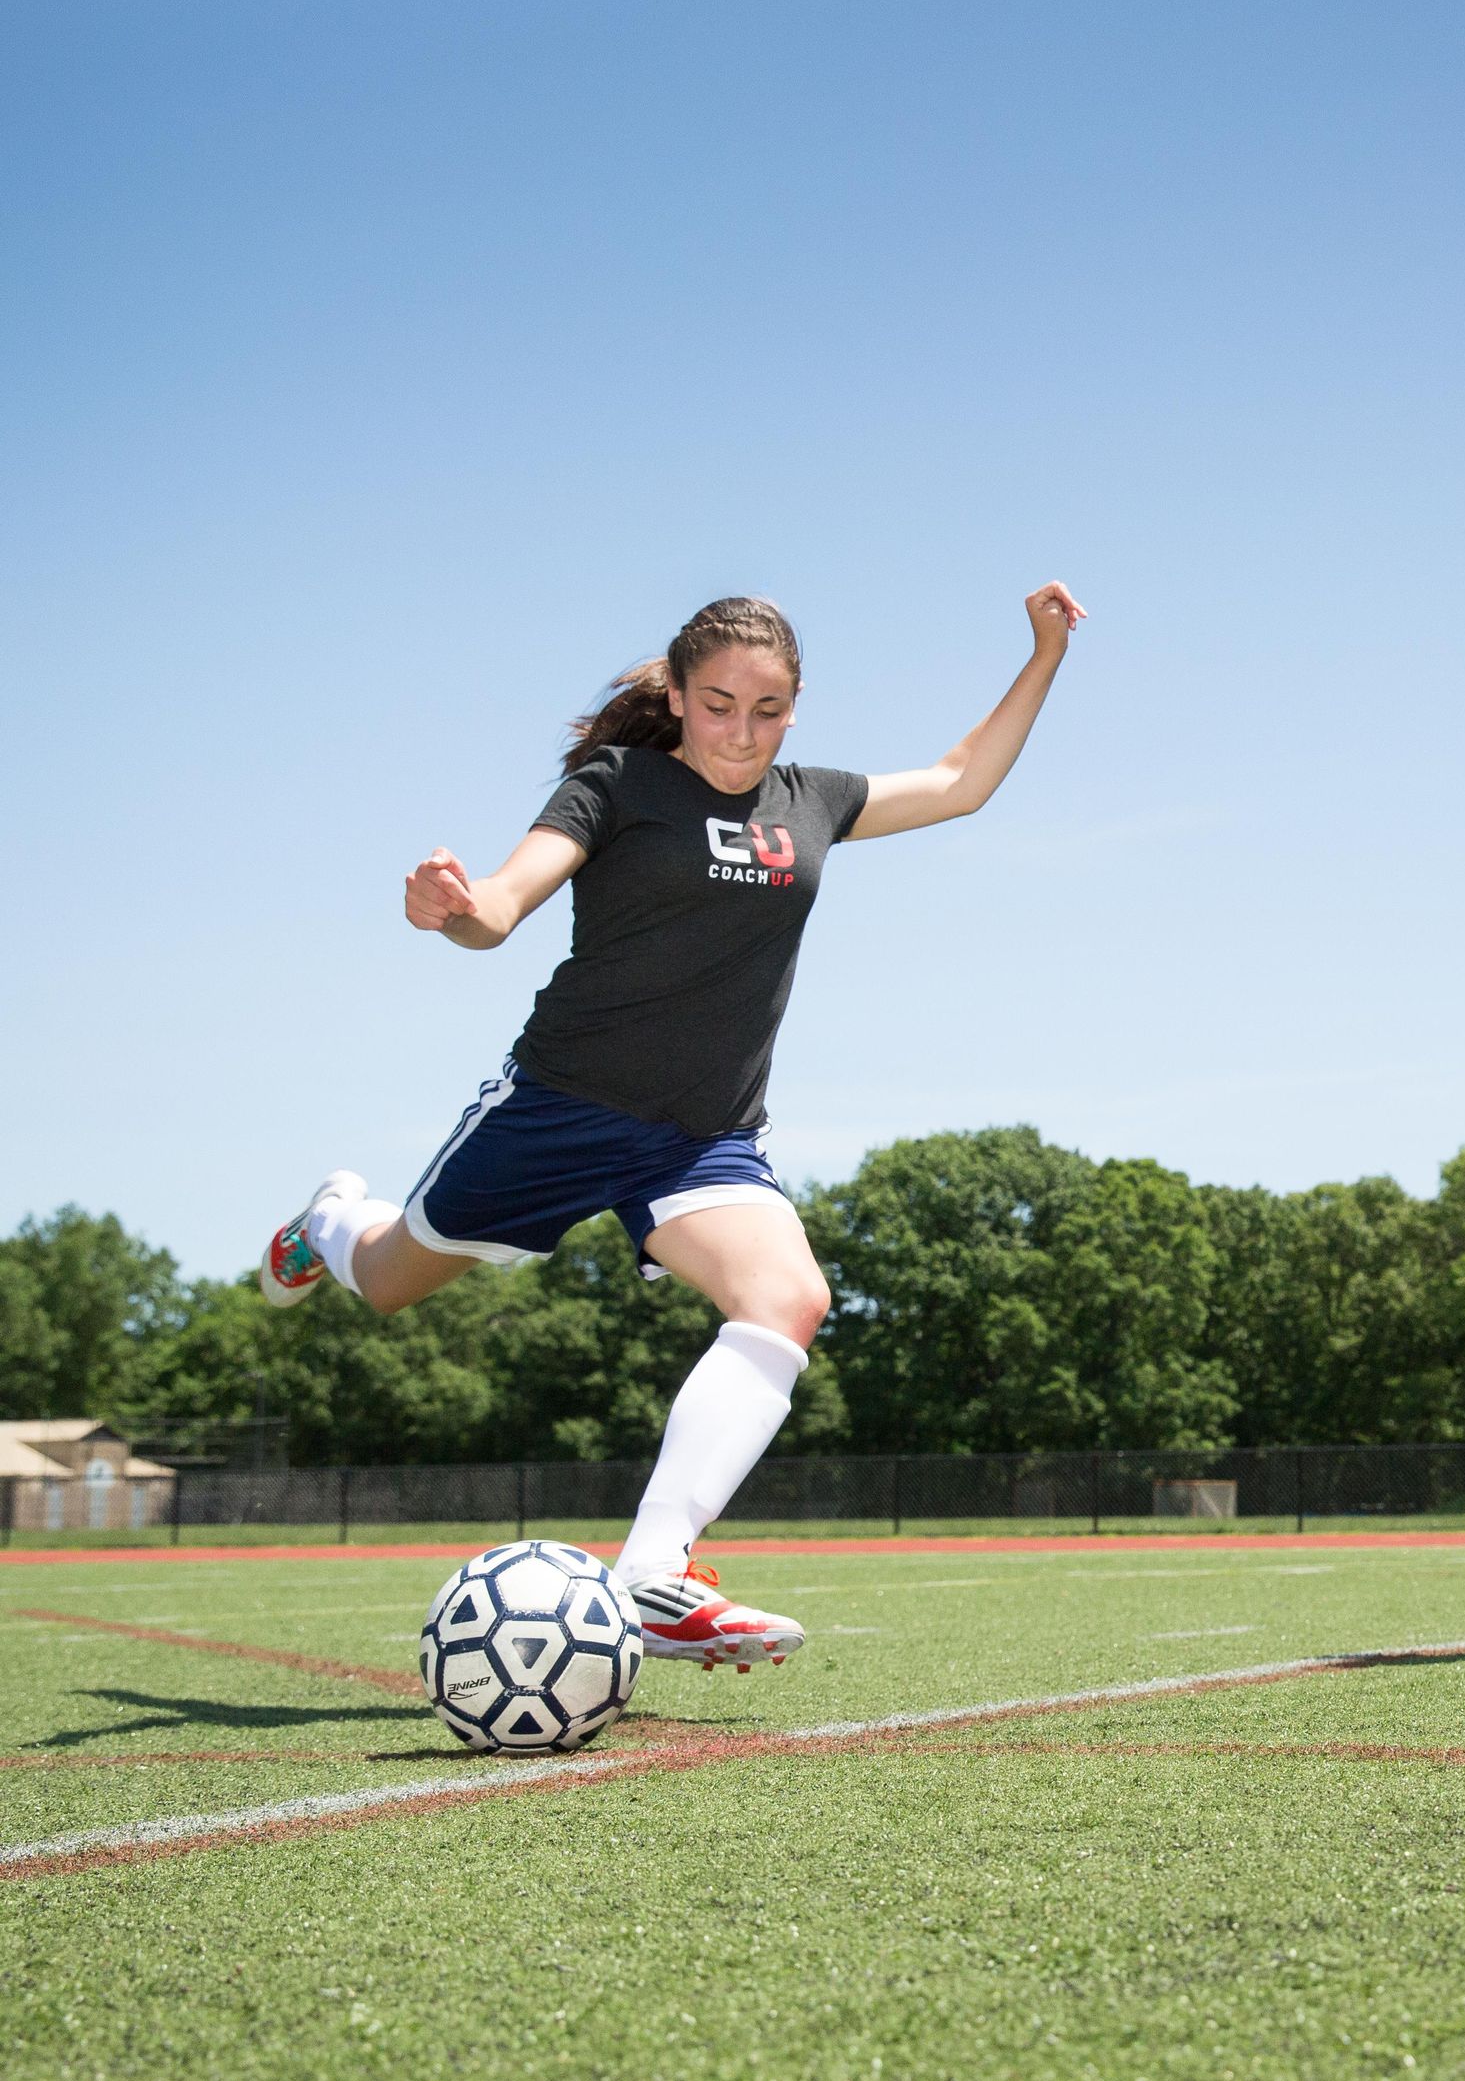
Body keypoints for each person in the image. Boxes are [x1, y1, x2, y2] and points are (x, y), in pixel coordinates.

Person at [259, 582, 1086, 1671]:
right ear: (682, 696)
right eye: (719, 704)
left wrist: (1043, 654)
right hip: (557, 1111)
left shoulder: (815, 801)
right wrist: (454, 907)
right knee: (390, 1276)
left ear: (796, 709)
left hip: (702, 1139)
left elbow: (961, 781)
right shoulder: (617, 786)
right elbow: (503, 906)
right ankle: (328, 1221)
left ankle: (652, 1571)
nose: (743, 730)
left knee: (790, 1297)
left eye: (769, 708)